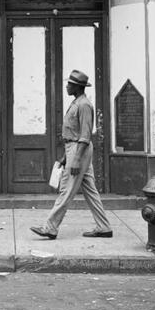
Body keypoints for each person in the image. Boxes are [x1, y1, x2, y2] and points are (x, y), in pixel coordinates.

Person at [30, 70, 113, 240]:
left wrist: (75, 159)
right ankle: (104, 227)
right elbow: (73, 133)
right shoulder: (77, 102)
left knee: (66, 189)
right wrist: (66, 156)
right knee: (90, 190)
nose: (67, 86)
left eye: (70, 84)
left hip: (79, 149)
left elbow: (85, 135)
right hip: (74, 149)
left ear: (77, 87)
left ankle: (50, 228)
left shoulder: (84, 105)